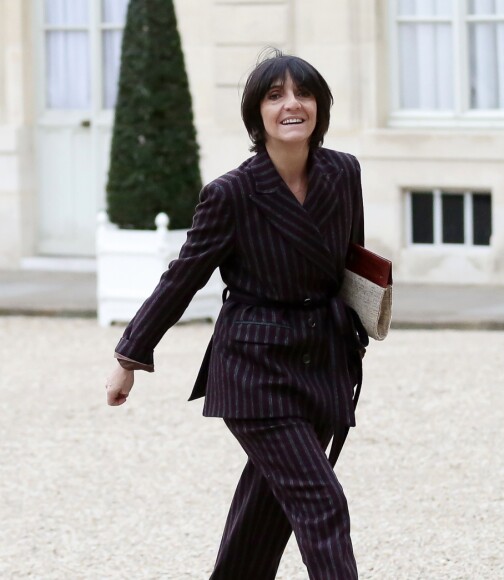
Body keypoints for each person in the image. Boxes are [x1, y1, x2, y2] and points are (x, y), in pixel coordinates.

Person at [106, 49, 367, 579]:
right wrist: (129, 355)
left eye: (304, 93)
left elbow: (352, 262)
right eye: (275, 96)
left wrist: (364, 322)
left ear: (320, 107)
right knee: (322, 502)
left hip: (322, 363)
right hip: (256, 368)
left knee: (265, 514)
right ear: (257, 115)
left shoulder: (343, 172)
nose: (292, 104)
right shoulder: (231, 193)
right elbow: (183, 276)